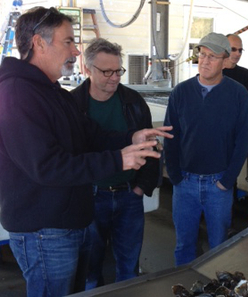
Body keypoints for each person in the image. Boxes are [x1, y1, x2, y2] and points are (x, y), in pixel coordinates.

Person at [0, 7, 172, 297]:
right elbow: (47, 166)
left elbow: (88, 133)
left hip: (67, 223)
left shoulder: (52, 91)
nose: (76, 50)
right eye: (68, 41)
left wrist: (132, 136)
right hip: (45, 230)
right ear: (39, 43)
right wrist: (119, 158)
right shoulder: (18, 92)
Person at [70, 38, 159, 289]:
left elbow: (149, 144)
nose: (114, 77)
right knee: (89, 268)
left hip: (128, 195)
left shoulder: (133, 101)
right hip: (90, 197)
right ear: (87, 69)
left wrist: (140, 187)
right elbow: (72, 156)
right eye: (106, 71)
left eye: (118, 70)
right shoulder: (72, 104)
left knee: (128, 267)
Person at [163, 32, 248, 266]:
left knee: (219, 247)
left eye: (212, 56)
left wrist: (227, 179)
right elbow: (170, 136)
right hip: (185, 183)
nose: (204, 61)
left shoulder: (238, 94)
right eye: (202, 54)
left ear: (225, 61)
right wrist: (175, 175)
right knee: (184, 245)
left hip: (219, 185)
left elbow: (243, 140)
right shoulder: (180, 93)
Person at [223, 34, 248, 110]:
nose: (238, 54)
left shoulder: (246, 74)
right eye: (233, 49)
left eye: (240, 50)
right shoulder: (214, 72)